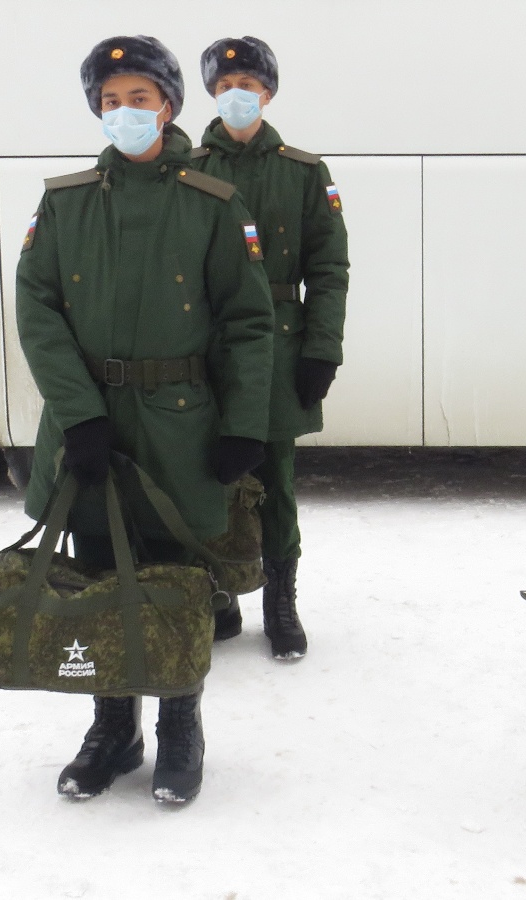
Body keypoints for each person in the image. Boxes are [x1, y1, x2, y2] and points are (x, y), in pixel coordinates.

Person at [14, 35, 274, 805]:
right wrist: (80, 416)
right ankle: (112, 732)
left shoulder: (212, 203)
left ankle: (180, 728)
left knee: (176, 582)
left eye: (139, 98)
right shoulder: (65, 203)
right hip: (91, 427)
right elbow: (37, 310)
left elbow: (249, 323)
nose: (123, 112)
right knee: (100, 575)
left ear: (167, 106)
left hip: (179, 427)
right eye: (110, 100)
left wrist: (244, 425)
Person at [189, 36, 350, 661]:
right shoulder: (189, 168)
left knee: (276, 481)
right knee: (203, 472)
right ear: (211, 93)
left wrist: (322, 349)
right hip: (206, 347)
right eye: (225, 86)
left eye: (249, 85)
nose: (237, 95)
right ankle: (218, 594)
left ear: (269, 93)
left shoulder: (304, 172)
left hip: (281, 348)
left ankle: (280, 603)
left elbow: (329, 268)